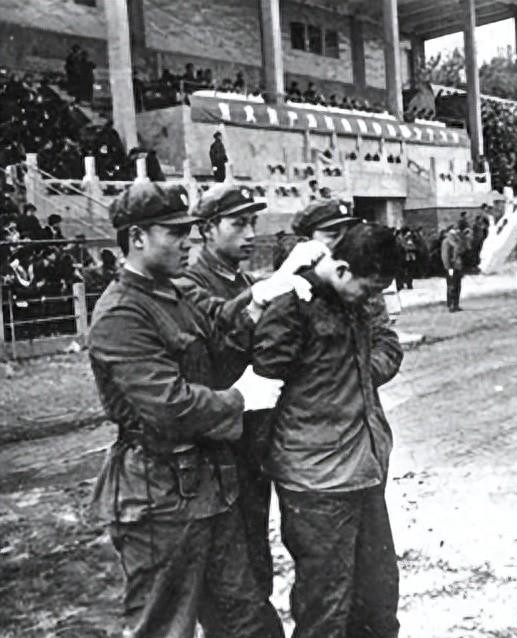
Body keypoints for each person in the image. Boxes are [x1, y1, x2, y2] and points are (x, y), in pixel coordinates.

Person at [87, 182, 287, 638]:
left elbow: (222, 324)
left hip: (210, 486)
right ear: (137, 237)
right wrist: (240, 398)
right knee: (166, 626)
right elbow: (169, 406)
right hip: (157, 498)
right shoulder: (121, 314)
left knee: (247, 621)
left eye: (189, 231)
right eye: (174, 232)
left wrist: (262, 297)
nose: (187, 241)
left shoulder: (173, 293)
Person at [252, 223, 404, 638]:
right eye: (368, 289)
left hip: (361, 472)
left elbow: (381, 350)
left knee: (377, 600)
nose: (371, 300)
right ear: (341, 270)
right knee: (326, 610)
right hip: (316, 485)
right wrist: (281, 462)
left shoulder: (352, 300)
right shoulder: (291, 308)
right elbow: (261, 399)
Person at [171, 184, 275, 604]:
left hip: (251, 442)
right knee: (231, 580)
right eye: (238, 224)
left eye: (253, 223)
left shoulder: (242, 280)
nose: (250, 233)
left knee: (256, 559)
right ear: (208, 229)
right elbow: (212, 364)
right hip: (219, 445)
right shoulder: (191, 286)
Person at [441, 225, 464, 312]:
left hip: (457, 266)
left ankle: (456, 304)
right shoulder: (447, 241)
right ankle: (451, 304)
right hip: (451, 267)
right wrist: (448, 267)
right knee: (452, 285)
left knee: (457, 285)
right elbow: (445, 255)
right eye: (455, 229)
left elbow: (461, 251)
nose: (457, 231)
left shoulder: (457, 240)